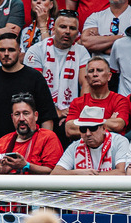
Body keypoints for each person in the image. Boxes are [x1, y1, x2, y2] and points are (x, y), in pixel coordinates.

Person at [0, 33, 59, 142]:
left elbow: (47, 117)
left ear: (19, 51)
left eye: (11, 50)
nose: (6, 54)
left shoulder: (35, 78)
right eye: (2, 50)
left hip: (28, 146)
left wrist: (44, 145)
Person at [24, 9, 91, 140]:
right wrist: (54, 111)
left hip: (71, 114)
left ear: (77, 33)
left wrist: (75, 112)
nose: (67, 31)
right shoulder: (36, 50)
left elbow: (86, 84)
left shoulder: (81, 52)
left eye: (72, 28)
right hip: (42, 112)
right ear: (54, 29)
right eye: (63, 27)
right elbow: (34, 87)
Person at [0, 92, 64, 173]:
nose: (21, 118)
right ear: (12, 117)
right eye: (17, 114)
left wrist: (26, 165)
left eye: (26, 113)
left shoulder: (47, 137)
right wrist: (0, 171)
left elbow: (54, 172)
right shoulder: (2, 142)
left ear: (35, 116)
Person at [65, 56, 130, 138]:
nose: (95, 74)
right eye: (91, 71)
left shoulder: (120, 100)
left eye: (99, 70)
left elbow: (118, 125)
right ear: (86, 78)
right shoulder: (77, 102)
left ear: (109, 76)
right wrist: (107, 121)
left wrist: (82, 123)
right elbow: (69, 129)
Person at [52, 104, 129, 172]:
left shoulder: (119, 141)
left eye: (93, 128)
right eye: (83, 129)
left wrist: (89, 177)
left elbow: (121, 172)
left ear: (103, 128)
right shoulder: (75, 146)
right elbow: (55, 173)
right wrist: (78, 173)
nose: (88, 133)